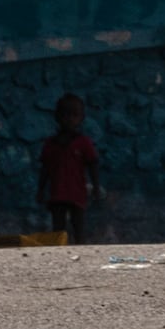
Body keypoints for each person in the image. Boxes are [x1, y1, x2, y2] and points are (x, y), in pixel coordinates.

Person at [37, 92, 103, 246]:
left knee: (78, 226)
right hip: (57, 193)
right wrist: (40, 190)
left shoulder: (83, 143)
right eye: (65, 114)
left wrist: (96, 186)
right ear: (57, 117)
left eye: (74, 115)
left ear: (81, 118)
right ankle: (59, 254)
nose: (69, 119)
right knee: (58, 229)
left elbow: (92, 164)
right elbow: (45, 168)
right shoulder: (51, 144)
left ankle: (80, 250)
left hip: (77, 193)